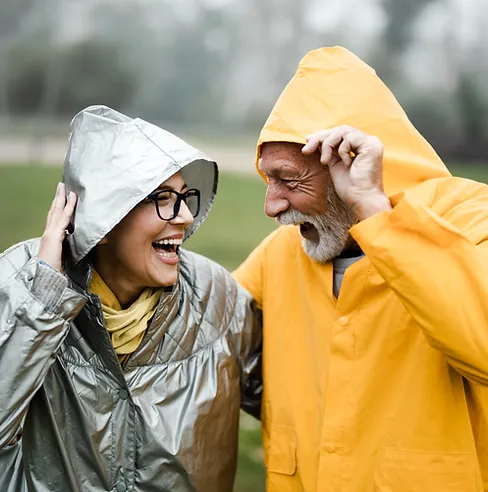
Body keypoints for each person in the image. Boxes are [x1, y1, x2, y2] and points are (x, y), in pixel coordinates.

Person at [234, 46, 488, 491]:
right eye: (268, 178)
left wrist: (375, 210)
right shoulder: (282, 252)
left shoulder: (473, 218)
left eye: (289, 180)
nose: (271, 205)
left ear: (348, 163)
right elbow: (191, 331)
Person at [0, 105, 262, 492]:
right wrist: (42, 304)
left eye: (185, 196)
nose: (186, 216)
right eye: (162, 198)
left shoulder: (216, 297)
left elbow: (298, 405)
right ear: (102, 218)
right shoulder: (21, 285)